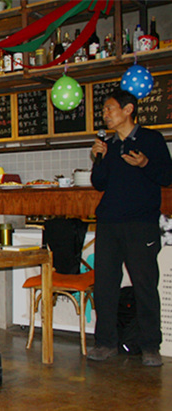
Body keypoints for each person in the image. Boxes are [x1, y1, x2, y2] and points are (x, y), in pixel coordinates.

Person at [88, 89, 172, 367]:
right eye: (104, 110)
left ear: (128, 110)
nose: (105, 114)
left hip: (141, 224)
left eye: (109, 108)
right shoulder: (108, 145)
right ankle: (105, 343)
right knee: (105, 286)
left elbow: (167, 176)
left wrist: (145, 163)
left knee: (145, 285)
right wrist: (98, 157)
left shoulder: (152, 139)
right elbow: (99, 183)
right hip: (109, 223)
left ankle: (150, 346)